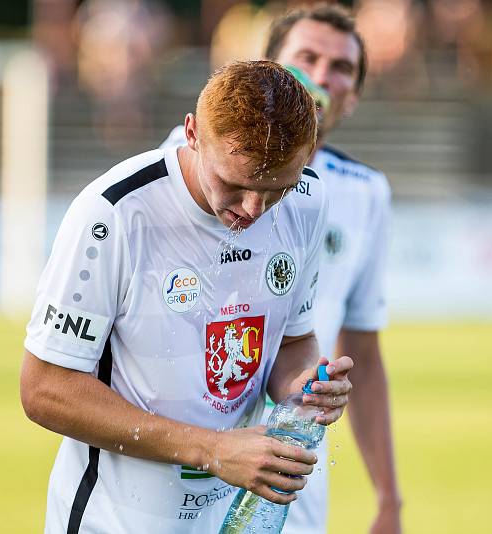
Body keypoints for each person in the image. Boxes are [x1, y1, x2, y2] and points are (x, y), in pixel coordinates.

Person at [20, 60, 354, 533]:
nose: (253, 210)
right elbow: (44, 389)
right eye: (235, 185)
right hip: (114, 520)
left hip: (229, 517)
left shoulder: (308, 200)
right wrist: (211, 449)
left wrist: (303, 388)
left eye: (275, 189)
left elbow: (293, 341)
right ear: (192, 134)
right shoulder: (113, 214)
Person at [162, 4, 401, 534]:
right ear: (266, 68)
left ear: (354, 96)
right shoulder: (185, 170)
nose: (320, 77)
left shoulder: (363, 194)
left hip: (289, 480)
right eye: (306, 58)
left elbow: (360, 349)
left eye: (340, 68)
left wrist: (388, 497)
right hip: (180, 476)